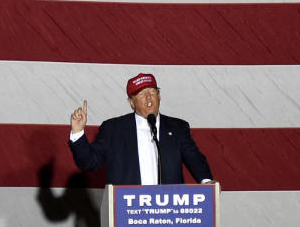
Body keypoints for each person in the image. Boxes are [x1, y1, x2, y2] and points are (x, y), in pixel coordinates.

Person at [68, 73, 214, 185]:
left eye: (152, 91)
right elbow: (89, 163)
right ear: (131, 102)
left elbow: (194, 158)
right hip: (129, 213)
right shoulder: (113, 129)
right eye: (142, 94)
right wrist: (78, 132)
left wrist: (206, 182)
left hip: (169, 212)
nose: (149, 97)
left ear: (159, 95)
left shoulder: (177, 128)